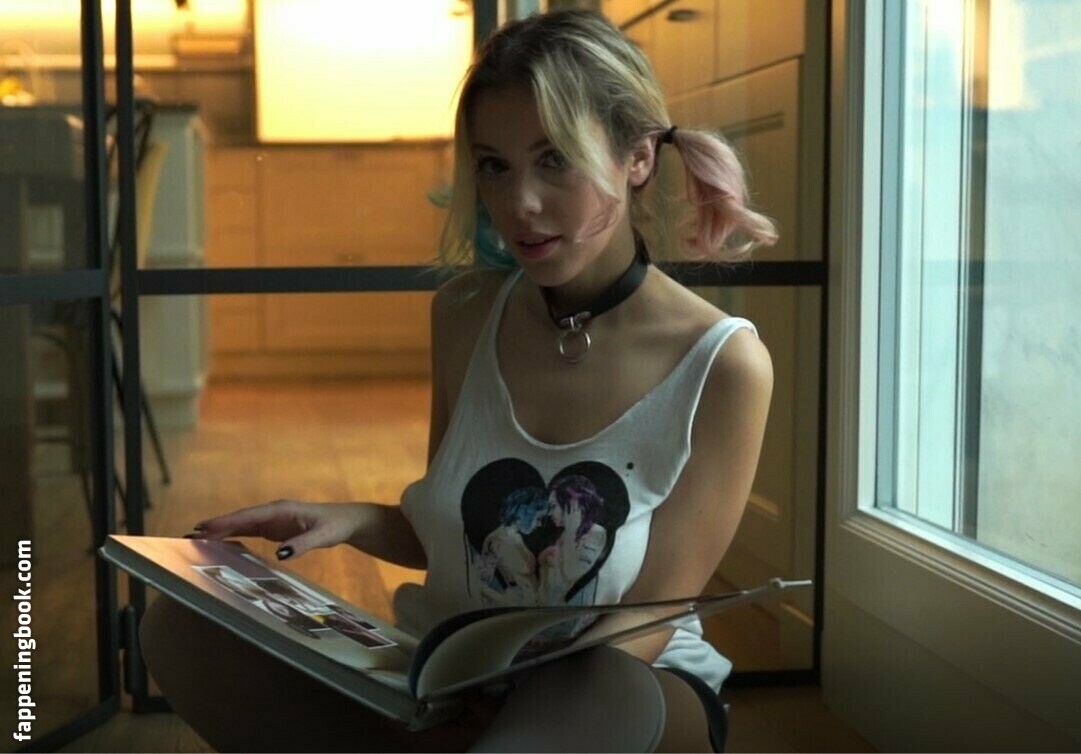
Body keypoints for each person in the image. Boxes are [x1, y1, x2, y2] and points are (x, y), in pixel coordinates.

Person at [138, 8, 775, 752]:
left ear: (637, 159)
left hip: (620, 690)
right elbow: (460, 536)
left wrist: (512, 697)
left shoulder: (722, 363)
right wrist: (342, 518)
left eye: (554, 160)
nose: (518, 204)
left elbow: (652, 613)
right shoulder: (466, 313)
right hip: (450, 685)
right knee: (183, 625)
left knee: (598, 688)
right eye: (493, 165)